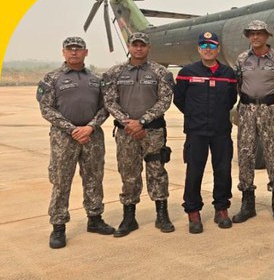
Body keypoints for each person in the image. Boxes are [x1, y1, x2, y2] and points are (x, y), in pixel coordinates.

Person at [37, 37, 115, 248]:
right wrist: (72, 129)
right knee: (61, 181)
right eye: (69, 49)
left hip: (92, 136)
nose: (74, 53)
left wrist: (90, 126)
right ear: (63, 52)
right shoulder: (52, 78)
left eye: (78, 49)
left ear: (85, 52)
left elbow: (105, 107)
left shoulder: (97, 79)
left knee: (94, 178)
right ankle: (58, 226)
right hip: (64, 137)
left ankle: (95, 219)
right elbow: (46, 109)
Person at [103, 32, 175, 237]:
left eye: (142, 45)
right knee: (129, 173)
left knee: (157, 171)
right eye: (135, 45)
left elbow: (164, 101)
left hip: (153, 131)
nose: (139, 48)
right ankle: (129, 218)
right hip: (126, 133)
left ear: (148, 47)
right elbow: (109, 101)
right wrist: (128, 122)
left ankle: (162, 214)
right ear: (129, 46)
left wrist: (142, 121)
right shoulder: (115, 72)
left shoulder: (160, 72)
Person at [173, 32, 238, 233]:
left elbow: (230, 100)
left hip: (220, 131)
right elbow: (179, 99)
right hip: (196, 131)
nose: (208, 49)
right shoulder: (187, 72)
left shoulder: (228, 74)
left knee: (223, 170)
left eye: (212, 46)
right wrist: (194, 115)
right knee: (194, 171)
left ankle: (221, 208)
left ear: (218, 49)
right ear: (198, 49)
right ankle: (193, 212)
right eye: (204, 46)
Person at [232, 20, 274, 224]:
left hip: (270, 110)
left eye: (259, 34)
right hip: (247, 110)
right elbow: (238, 84)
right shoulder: (241, 59)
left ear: (266, 36)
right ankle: (248, 203)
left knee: (273, 154)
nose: (255, 37)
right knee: (245, 155)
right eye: (251, 34)